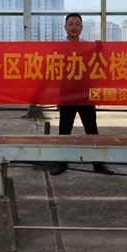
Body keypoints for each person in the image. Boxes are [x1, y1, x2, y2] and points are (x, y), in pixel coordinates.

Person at [50, 13, 114, 177]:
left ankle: (98, 164)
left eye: (77, 24)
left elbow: (98, 65)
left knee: (91, 129)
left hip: (86, 93)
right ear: (65, 27)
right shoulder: (59, 48)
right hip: (67, 94)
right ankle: (61, 163)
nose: (74, 27)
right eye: (71, 24)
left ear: (81, 28)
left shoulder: (88, 46)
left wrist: (99, 50)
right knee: (64, 130)